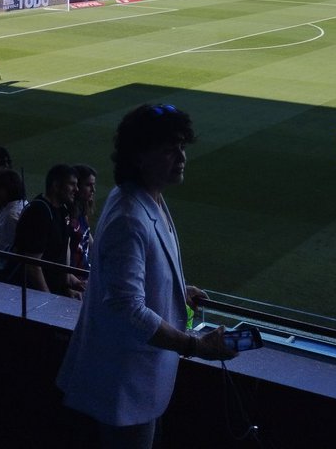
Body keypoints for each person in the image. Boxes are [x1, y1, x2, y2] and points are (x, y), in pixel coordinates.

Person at [57, 103, 236, 448]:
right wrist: (195, 346)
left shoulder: (145, 198)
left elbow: (133, 275)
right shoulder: (129, 216)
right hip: (124, 387)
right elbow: (126, 309)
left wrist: (177, 289)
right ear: (139, 156)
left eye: (182, 147)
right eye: (169, 150)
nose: (181, 157)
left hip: (137, 384)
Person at [9, 164, 85, 297]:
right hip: (31, 297)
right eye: (72, 184)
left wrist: (69, 283)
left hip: (51, 291)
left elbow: (60, 252)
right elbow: (32, 265)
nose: (76, 189)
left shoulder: (62, 210)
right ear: (56, 186)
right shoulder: (39, 212)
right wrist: (48, 298)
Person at [70, 163, 97, 275]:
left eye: (93, 185)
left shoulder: (81, 211)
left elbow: (89, 240)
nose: (93, 190)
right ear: (77, 186)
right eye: (88, 185)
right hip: (75, 276)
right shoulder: (68, 216)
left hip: (84, 271)